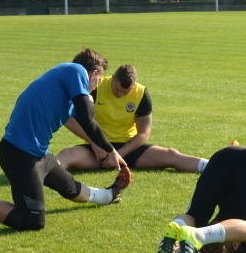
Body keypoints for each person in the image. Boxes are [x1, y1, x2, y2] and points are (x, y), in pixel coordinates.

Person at [0, 48, 132, 231]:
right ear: (93, 73)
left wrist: (105, 147)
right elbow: (87, 116)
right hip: (19, 155)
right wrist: (110, 149)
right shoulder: (75, 70)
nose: (96, 86)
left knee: (70, 187)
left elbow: (86, 122)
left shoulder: (63, 84)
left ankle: (109, 195)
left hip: (37, 154)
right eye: (98, 81)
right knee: (32, 221)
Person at [55, 64, 208, 174]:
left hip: (129, 148)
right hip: (99, 149)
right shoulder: (97, 87)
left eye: (125, 92)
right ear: (113, 78)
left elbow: (143, 133)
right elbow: (69, 118)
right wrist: (95, 143)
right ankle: (41, 175)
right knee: (67, 154)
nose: (120, 95)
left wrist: (119, 154)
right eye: (117, 90)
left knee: (171, 155)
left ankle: (211, 166)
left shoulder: (141, 93)